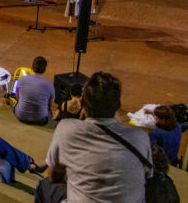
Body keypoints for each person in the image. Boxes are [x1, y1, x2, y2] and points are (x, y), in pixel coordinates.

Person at [40, 71, 153, 202]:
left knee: (44, 185)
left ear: (82, 103)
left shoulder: (66, 129)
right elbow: (146, 177)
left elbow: (54, 177)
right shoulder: (140, 137)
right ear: (118, 106)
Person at [14, 56, 55, 125]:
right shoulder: (49, 84)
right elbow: (50, 104)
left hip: (21, 116)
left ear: (31, 67)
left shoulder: (21, 79)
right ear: (44, 70)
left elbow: (17, 98)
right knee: (50, 112)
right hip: (40, 120)